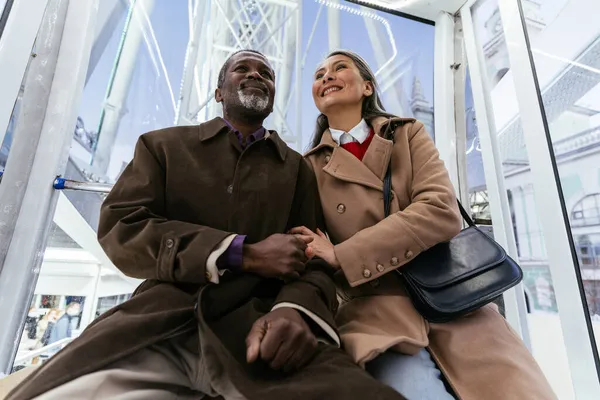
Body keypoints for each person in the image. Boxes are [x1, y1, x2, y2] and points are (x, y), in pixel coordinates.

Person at [6, 49, 406, 400]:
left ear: (272, 101)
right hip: (157, 327)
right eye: (242, 69)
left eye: (265, 73)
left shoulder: (297, 170)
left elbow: (314, 257)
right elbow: (121, 227)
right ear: (218, 94)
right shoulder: (163, 147)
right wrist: (241, 253)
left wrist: (295, 310)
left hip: (263, 334)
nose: (255, 75)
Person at [292, 50, 557, 400]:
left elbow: (441, 211)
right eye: (319, 74)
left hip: (457, 298)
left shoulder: (406, 133)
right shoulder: (307, 168)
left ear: (367, 86)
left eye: (339, 68)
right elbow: (312, 249)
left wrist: (345, 253)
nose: (326, 76)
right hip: (376, 317)